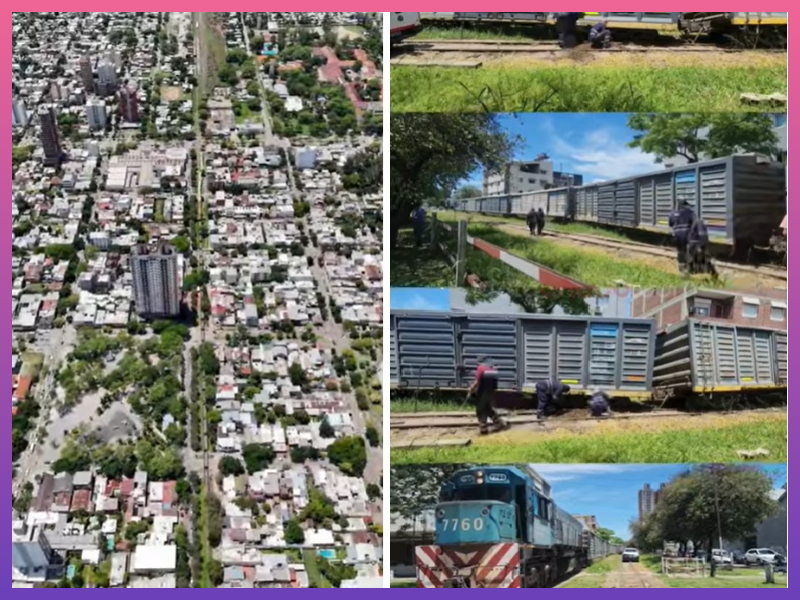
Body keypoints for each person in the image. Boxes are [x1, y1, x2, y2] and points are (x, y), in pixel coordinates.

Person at [468, 356, 507, 435]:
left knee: (480, 409)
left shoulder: (481, 368)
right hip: (490, 391)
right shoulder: (493, 368)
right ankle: (498, 423)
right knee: (488, 408)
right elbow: (495, 382)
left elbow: (477, 381)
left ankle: (483, 429)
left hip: (483, 392)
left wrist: (471, 388)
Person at [669, 201, 695, 274]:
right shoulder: (689, 212)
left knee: (680, 250)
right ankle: (690, 267)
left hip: (677, 234)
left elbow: (670, 224)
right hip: (687, 233)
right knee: (689, 250)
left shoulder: (672, 213)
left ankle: (682, 267)